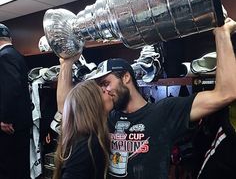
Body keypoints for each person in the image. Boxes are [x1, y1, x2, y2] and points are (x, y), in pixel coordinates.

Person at [55, 17, 236, 179]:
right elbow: (66, 107)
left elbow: (226, 93)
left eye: (106, 83)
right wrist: (66, 63)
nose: (104, 90)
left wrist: (222, 35)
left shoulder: (164, 111)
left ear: (126, 77)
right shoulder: (107, 116)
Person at [53, 74, 113, 179]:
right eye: (103, 92)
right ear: (94, 104)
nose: (108, 92)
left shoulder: (81, 138)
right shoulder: (88, 143)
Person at [0, 24, 32, 179]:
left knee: (9, 166)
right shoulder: (15, 54)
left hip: (11, 125)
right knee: (19, 164)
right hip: (20, 123)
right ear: (10, 39)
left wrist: (6, 119)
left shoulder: (4, 56)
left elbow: (11, 90)